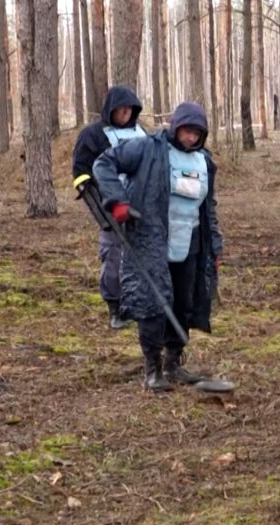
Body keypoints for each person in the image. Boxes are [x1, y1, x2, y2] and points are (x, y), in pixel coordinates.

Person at [92, 102, 223, 391]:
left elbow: (209, 209)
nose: (191, 137)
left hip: (190, 242)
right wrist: (117, 202)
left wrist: (214, 247)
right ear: (176, 127)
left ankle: (173, 364)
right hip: (151, 238)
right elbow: (104, 163)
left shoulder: (204, 162)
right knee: (152, 303)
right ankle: (152, 370)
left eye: (197, 133)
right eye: (187, 131)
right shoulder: (147, 148)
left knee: (184, 302)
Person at [72, 85, 146, 329]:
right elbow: (81, 174)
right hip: (109, 205)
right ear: (111, 109)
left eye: (129, 109)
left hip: (141, 205)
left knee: (142, 256)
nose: (125, 113)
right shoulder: (92, 135)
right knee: (113, 257)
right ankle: (115, 307)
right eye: (121, 109)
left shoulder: (141, 134)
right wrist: (101, 210)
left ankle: (136, 302)